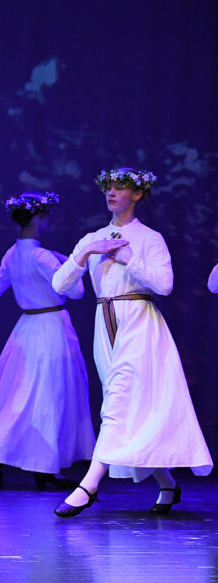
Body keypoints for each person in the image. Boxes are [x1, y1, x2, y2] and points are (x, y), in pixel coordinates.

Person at [51, 168, 212, 517]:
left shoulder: (149, 238)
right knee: (125, 404)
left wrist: (130, 259)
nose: (111, 192)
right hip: (105, 324)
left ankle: (89, 485)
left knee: (118, 403)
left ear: (137, 194)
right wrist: (85, 253)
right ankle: (167, 483)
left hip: (140, 323)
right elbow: (59, 285)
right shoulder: (93, 237)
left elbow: (164, 284)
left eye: (120, 187)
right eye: (108, 187)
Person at [0, 191, 93, 488]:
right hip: (50, 329)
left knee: (17, 396)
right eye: (46, 216)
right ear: (37, 218)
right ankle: (46, 468)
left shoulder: (14, 254)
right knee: (48, 395)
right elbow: (76, 292)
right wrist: (73, 264)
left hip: (26, 329)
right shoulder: (41, 256)